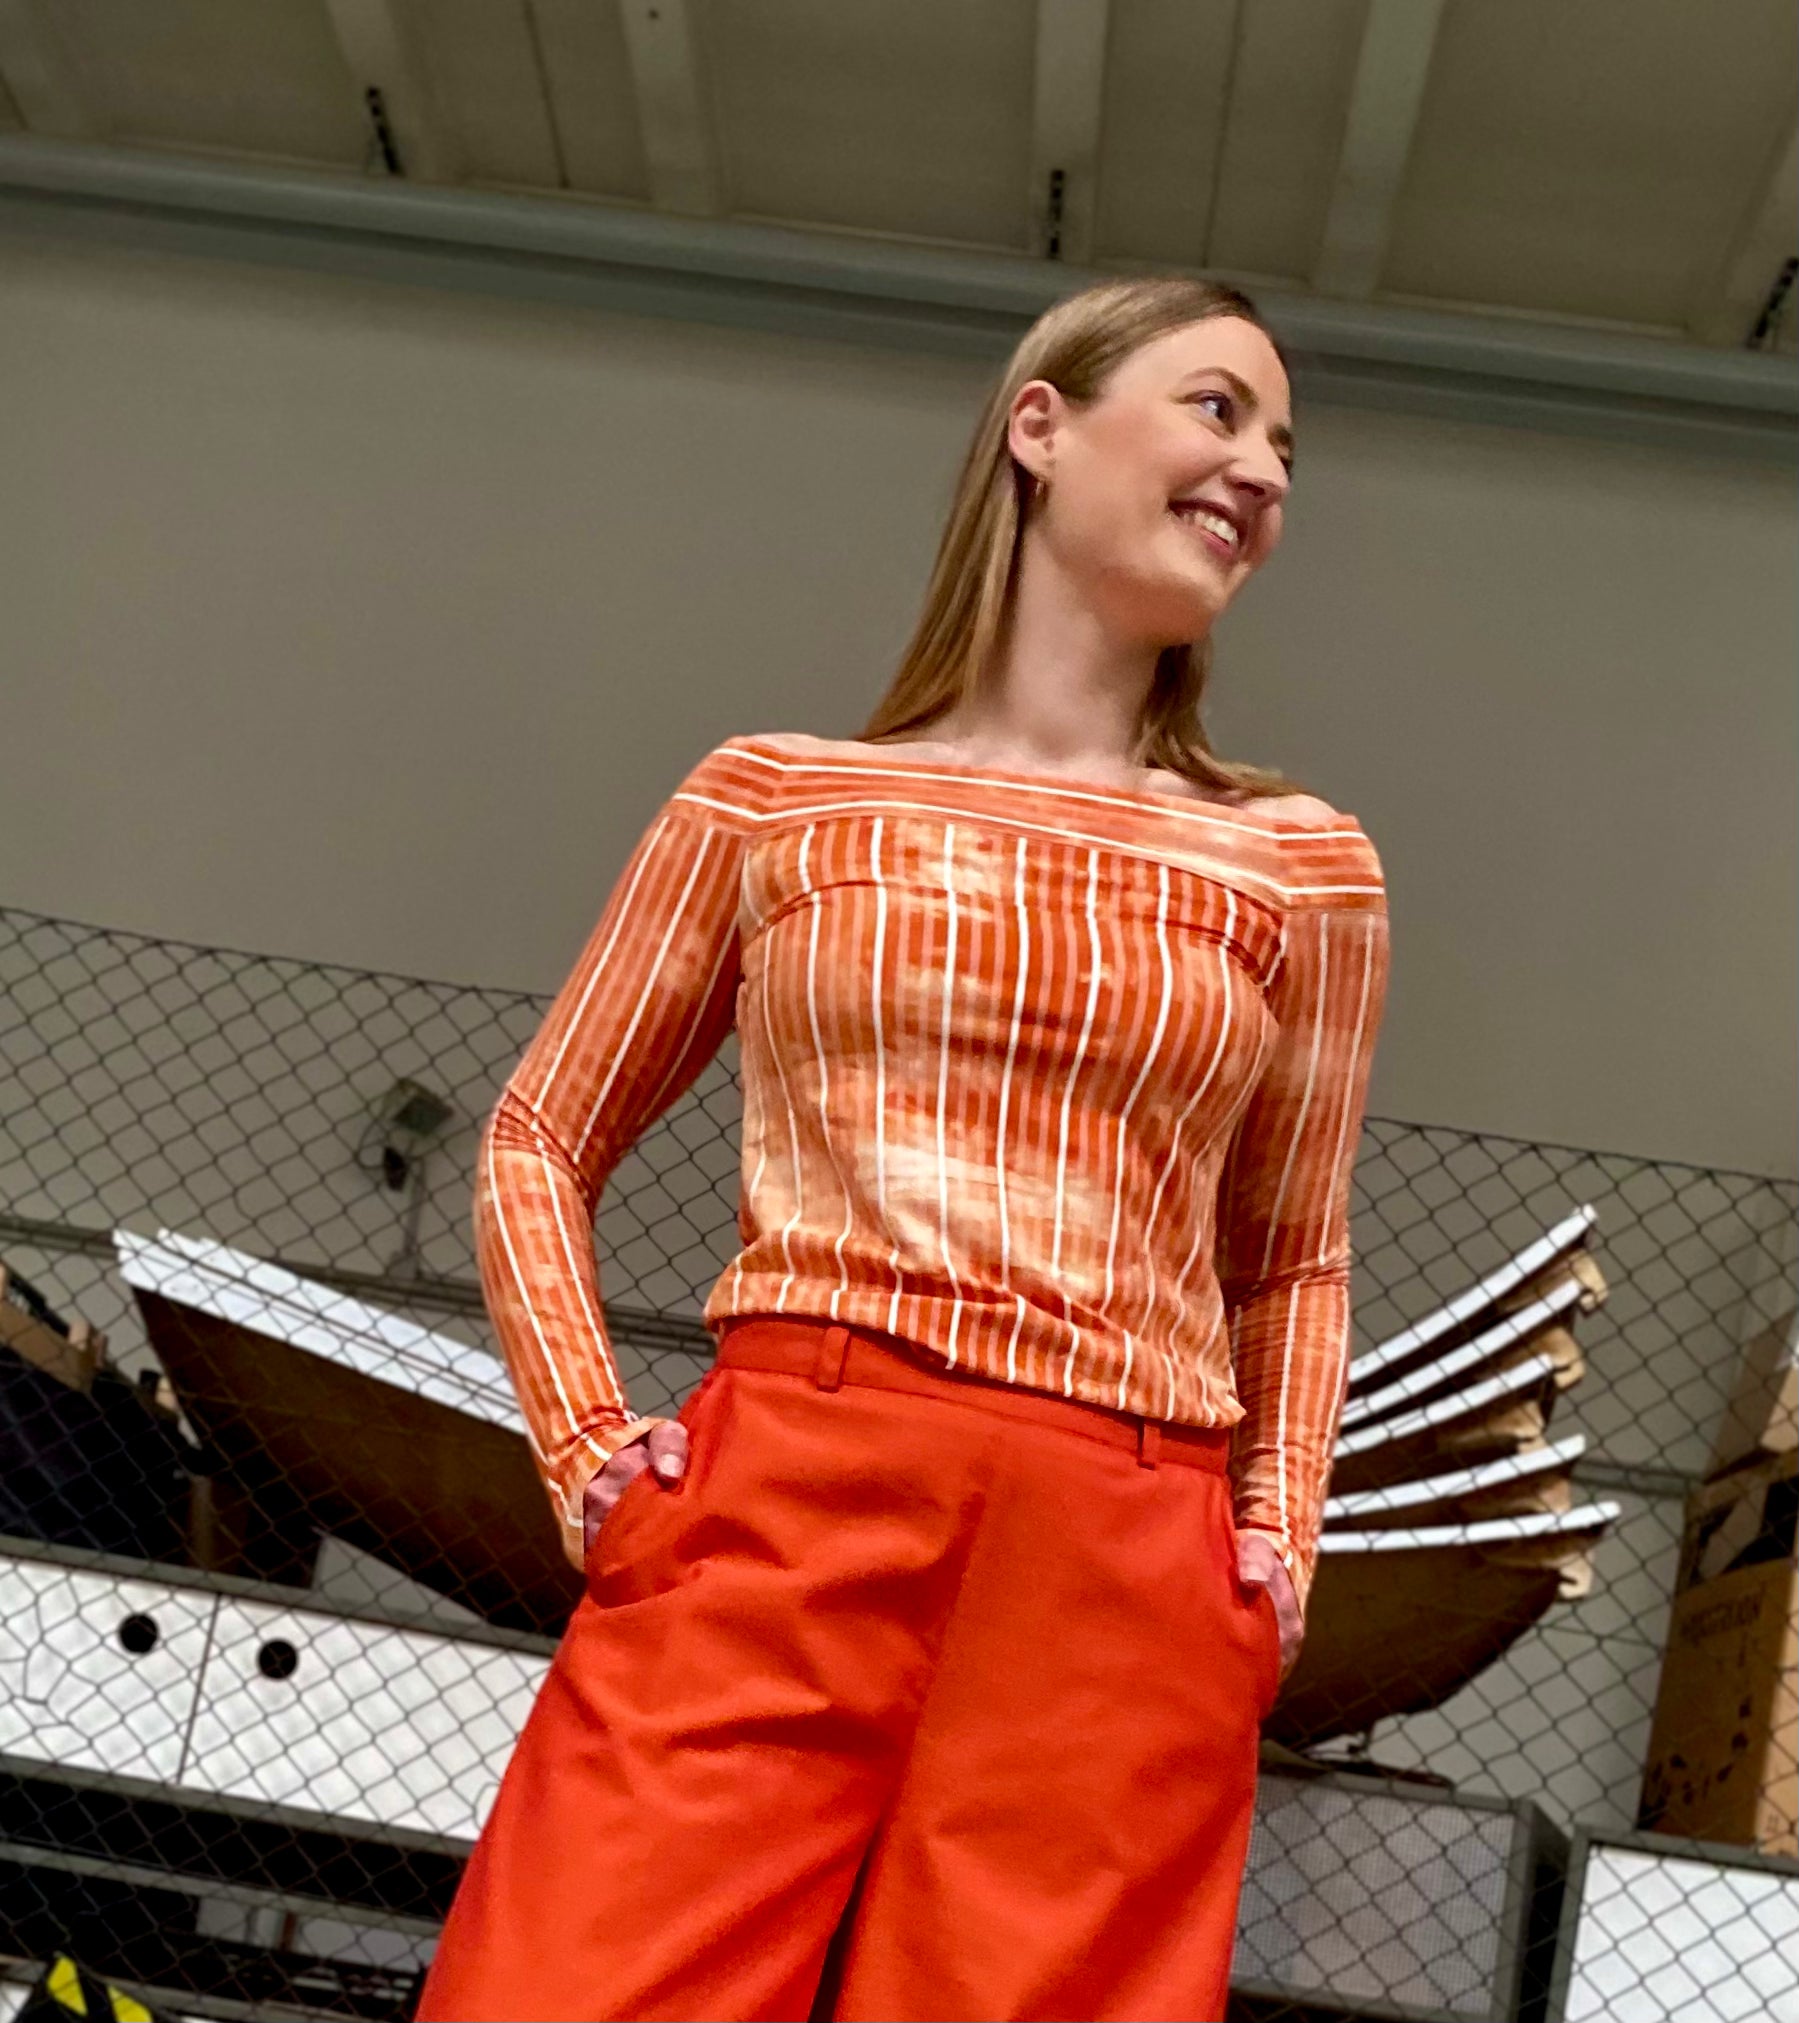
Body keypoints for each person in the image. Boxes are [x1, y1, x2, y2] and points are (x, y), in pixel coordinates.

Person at [417, 275, 1390, 2023]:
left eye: (1286, 450)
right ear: (1042, 427)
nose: (1263, 471)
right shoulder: (773, 801)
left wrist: (1277, 1544)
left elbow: (1293, 1259)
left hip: (1124, 1559)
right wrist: (588, 1455)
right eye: (1217, 408)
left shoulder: (1303, 868)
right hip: (783, 1499)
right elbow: (540, 1135)